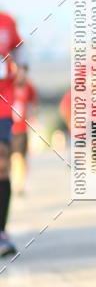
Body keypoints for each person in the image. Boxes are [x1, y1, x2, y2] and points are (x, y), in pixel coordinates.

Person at [0, 11, 25, 258]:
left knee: (2, 161)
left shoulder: (6, 21)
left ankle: (1, 231)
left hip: (2, 103)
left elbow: (19, 48)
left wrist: (23, 68)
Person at [10, 65, 38, 196]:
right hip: (7, 126)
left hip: (21, 128)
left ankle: (18, 184)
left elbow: (34, 104)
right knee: (11, 157)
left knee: (19, 157)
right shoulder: (8, 84)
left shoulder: (29, 87)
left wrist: (31, 117)